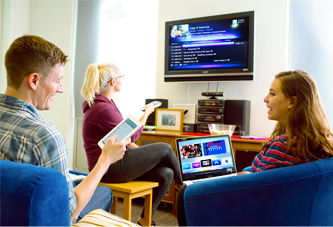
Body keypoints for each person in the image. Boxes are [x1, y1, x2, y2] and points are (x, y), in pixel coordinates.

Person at [0, 35, 130, 224]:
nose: (60, 89)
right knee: (104, 191)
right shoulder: (44, 136)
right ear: (34, 80)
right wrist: (105, 160)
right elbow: (67, 212)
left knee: (79, 180)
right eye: (57, 80)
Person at [177, 70, 333, 226]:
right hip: (293, 214)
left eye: (272, 94)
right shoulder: (318, 141)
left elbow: (258, 187)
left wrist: (238, 179)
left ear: (292, 102)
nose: (265, 99)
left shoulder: (284, 145)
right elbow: (268, 178)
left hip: (257, 211)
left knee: (185, 193)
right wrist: (247, 174)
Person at [80, 62, 182, 226]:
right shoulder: (102, 109)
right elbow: (132, 134)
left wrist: (147, 156)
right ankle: (183, 186)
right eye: (121, 77)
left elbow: (122, 140)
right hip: (108, 167)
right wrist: (148, 112)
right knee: (165, 148)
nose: (123, 80)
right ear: (113, 81)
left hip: (114, 162)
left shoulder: (106, 104)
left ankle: (145, 220)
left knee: (166, 173)